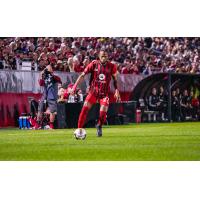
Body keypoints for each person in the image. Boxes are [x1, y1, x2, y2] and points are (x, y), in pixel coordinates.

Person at [70, 50, 121, 137]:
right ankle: (79, 129)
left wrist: (116, 90)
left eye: (105, 55)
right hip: (93, 92)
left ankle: (99, 125)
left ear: (107, 56)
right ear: (99, 56)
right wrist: (74, 86)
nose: (104, 56)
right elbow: (82, 75)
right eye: (102, 55)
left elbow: (115, 79)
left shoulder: (112, 66)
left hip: (104, 93)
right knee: (85, 108)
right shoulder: (94, 64)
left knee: (103, 112)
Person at [34, 64, 62, 129]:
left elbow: (59, 80)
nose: (48, 69)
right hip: (45, 95)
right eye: (47, 68)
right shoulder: (44, 77)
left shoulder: (55, 77)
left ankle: (51, 125)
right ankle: (37, 124)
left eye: (49, 68)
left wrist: (51, 74)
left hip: (52, 96)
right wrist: (42, 73)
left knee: (52, 111)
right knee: (40, 110)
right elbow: (40, 83)